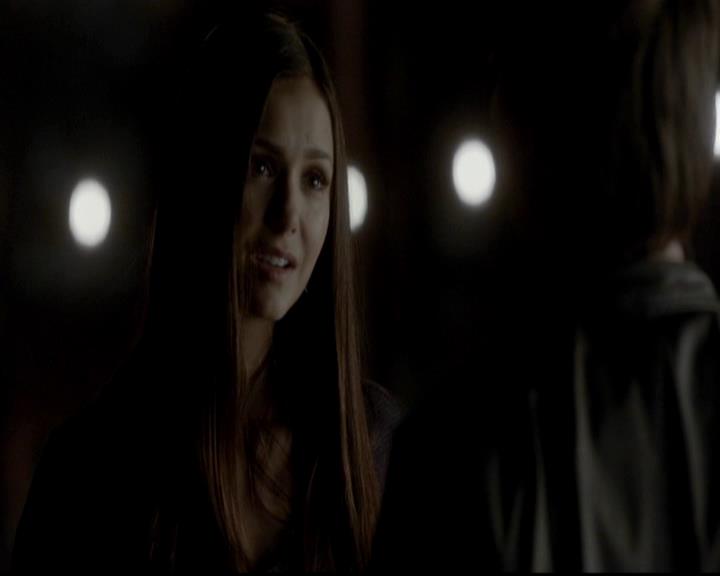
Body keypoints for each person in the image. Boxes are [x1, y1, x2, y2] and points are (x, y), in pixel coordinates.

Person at [12, 9, 401, 572]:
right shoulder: (90, 470)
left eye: (315, 179)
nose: (288, 215)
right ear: (205, 173)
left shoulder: (374, 448)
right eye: (261, 167)